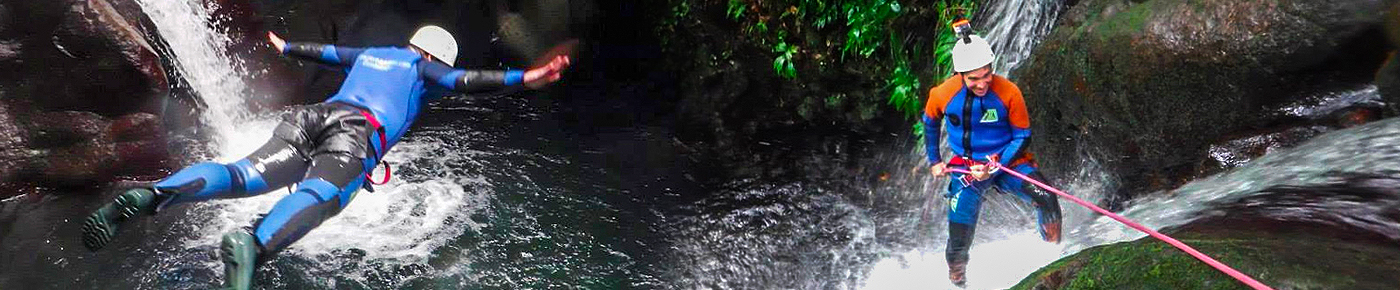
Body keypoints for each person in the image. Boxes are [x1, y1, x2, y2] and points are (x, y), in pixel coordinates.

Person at [80, 25, 570, 289]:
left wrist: (285, 44)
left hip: (314, 116)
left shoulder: (375, 53)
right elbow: (468, 81)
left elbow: (328, 52)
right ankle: (254, 243)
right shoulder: (428, 69)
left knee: (243, 173)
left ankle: (157, 194)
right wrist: (528, 78)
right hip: (356, 135)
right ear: (435, 56)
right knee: (325, 193)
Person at [920, 22, 1062, 288]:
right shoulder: (942, 95)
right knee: (958, 241)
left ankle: (1055, 263)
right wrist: (935, 160)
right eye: (974, 79)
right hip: (967, 168)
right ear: (959, 74)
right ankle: (958, 280)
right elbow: (929, 122)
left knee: (1047, 197)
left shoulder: (1009, 92)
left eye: (987, 75)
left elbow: (1022, 136)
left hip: (1008, 160)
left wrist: (996, 166)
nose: (983, 83)